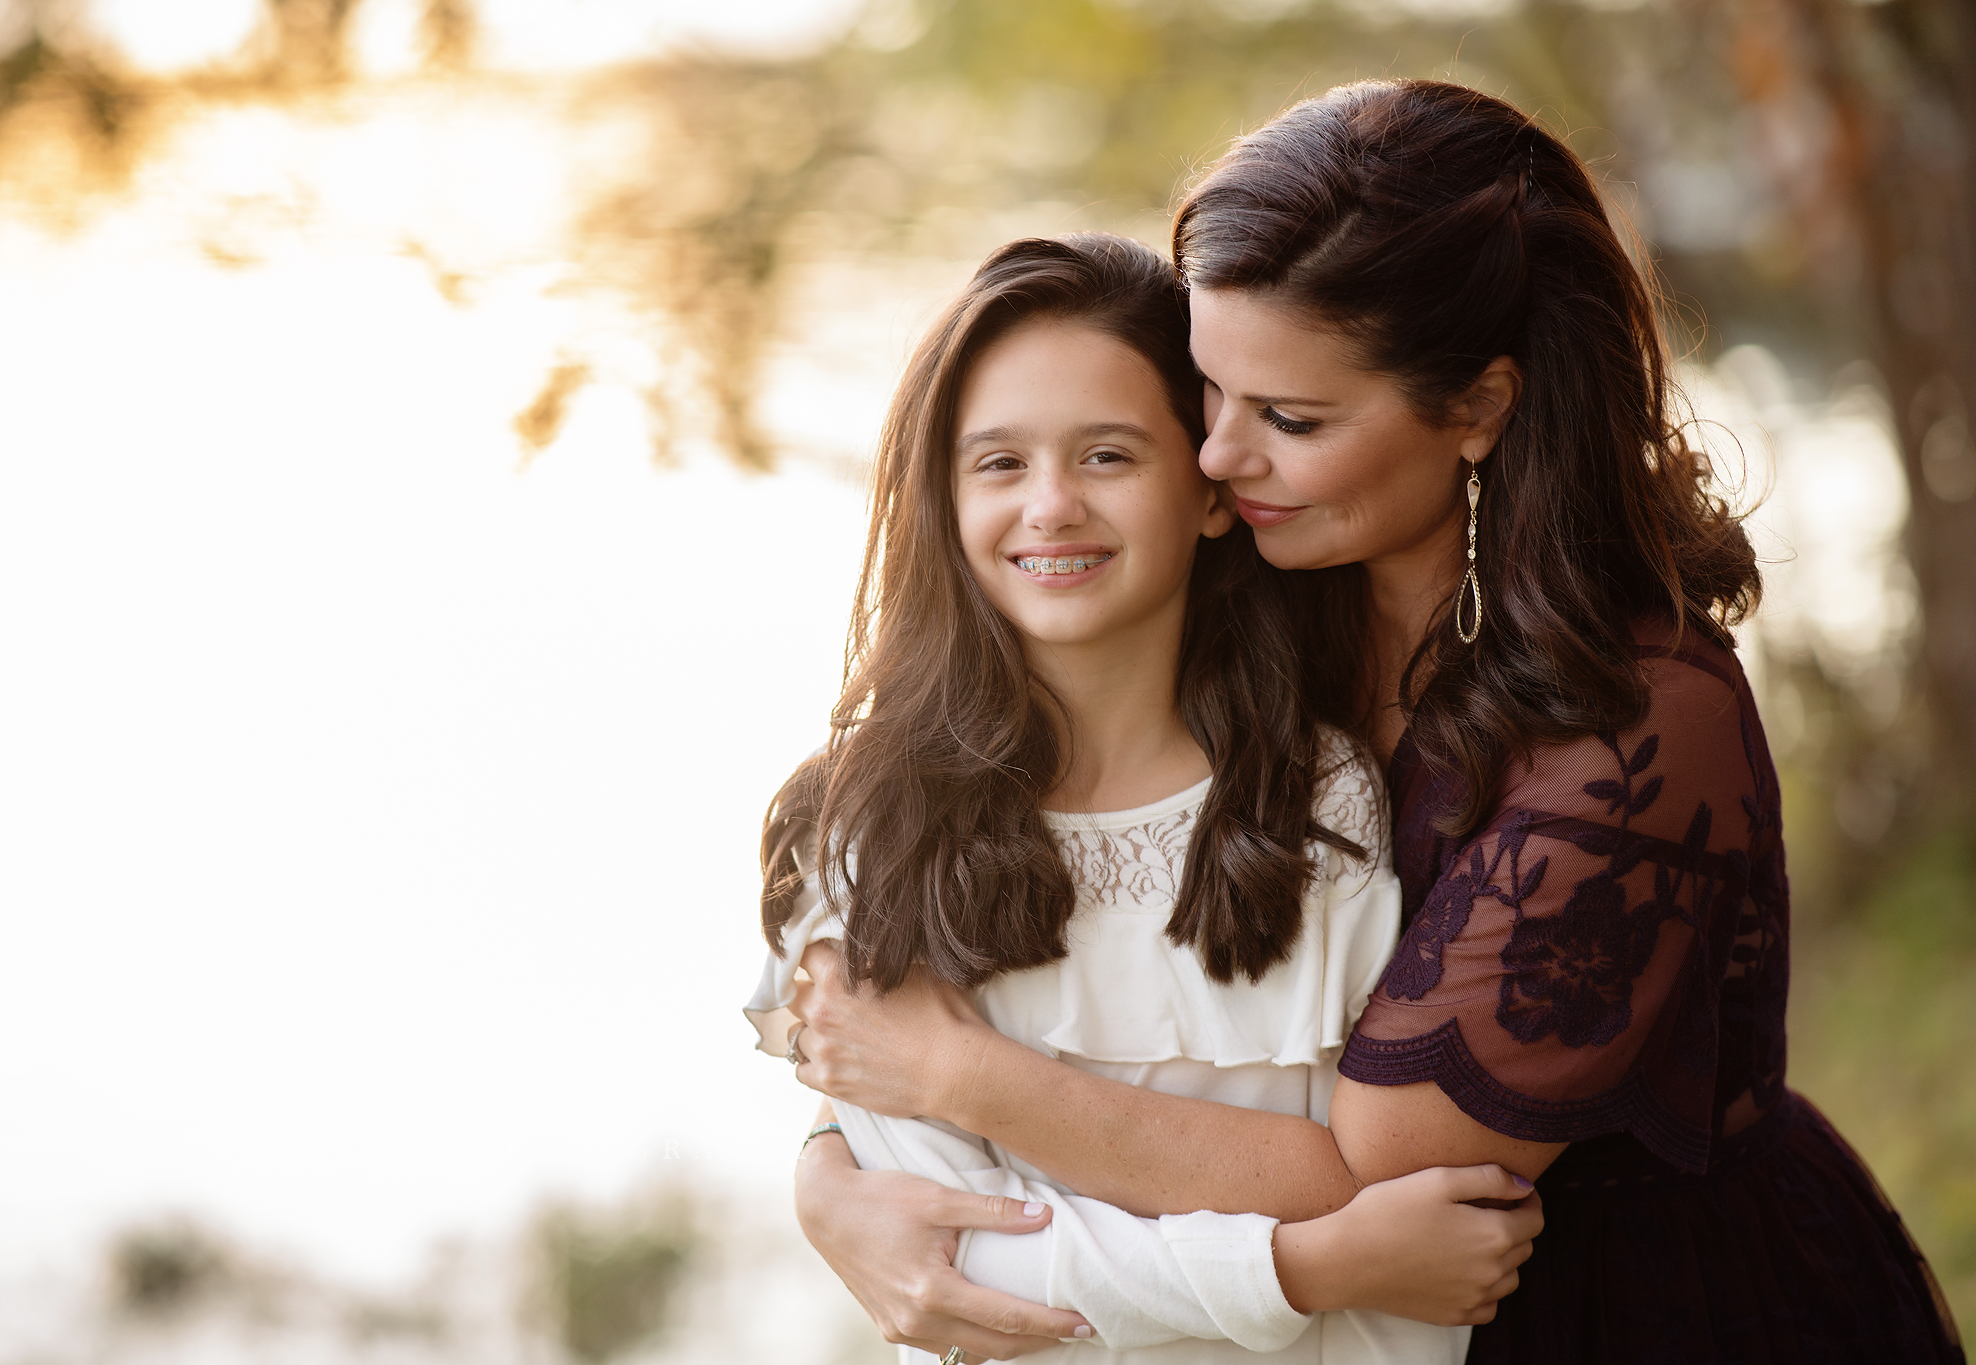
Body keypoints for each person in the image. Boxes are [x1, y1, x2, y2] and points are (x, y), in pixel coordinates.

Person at [788, 80, 1965, 1363]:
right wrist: (836, 1177)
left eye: (1290, 421)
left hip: (1634, 1314)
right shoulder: (1269, 581)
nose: (1219, 461)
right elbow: (992, 897)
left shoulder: (1638, 728)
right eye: (1206, 396)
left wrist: (956, 1079)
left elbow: (1378, 1166)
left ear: (1476, 409)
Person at [748, 231, 1541, 1363]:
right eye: (998, 463)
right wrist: (1301, 1265)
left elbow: (1390, 1210)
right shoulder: (869, 838)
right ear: (942, 499)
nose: (1052, 505)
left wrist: (1353, 1251)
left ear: (1209, 490)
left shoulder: (1324, 805)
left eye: (1108, 455)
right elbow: (962, 1273)